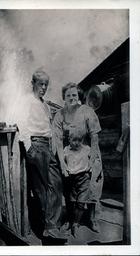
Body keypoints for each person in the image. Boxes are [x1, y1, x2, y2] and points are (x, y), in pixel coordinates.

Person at [18, 69, 68, 241]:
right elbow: (22, 123)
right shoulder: (26, 101)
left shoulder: (45, 105)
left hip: (47, 146)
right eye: (41, 84)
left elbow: (50, 129)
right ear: (33, 83)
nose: (44, 88)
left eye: (46, 85)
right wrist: (28, 147)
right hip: (36, 145)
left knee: (57, 184)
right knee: (42, 188)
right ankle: (50, 227)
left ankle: (51, 225)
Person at [53, 82, 103, 233]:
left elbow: (94, 137)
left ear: (79, 96)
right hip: (70, 155)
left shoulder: (87, 111)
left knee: (92, 186)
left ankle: (92, 219)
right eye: (68, 95)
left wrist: (92, 160)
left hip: (89, 151)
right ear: (64, 97)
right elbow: (58, 141)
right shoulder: (59, 115)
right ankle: (69, 219)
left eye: (74, 95)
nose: (71, 98)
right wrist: (62, 162)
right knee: (69, 187)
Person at [63, 128, 92, 238]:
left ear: (83, 140)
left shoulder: (87, 149)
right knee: (70, 201)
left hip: (84, 177)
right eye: (74, 140)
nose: (76, 143)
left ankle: (76, 224)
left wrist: (91, 166)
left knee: (81, 202)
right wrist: (65, 169)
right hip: (70, 178)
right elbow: (63, 163)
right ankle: (69, 221)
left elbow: (94, 159)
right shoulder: (65, 150)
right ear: (69, 139)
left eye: (79, 140)